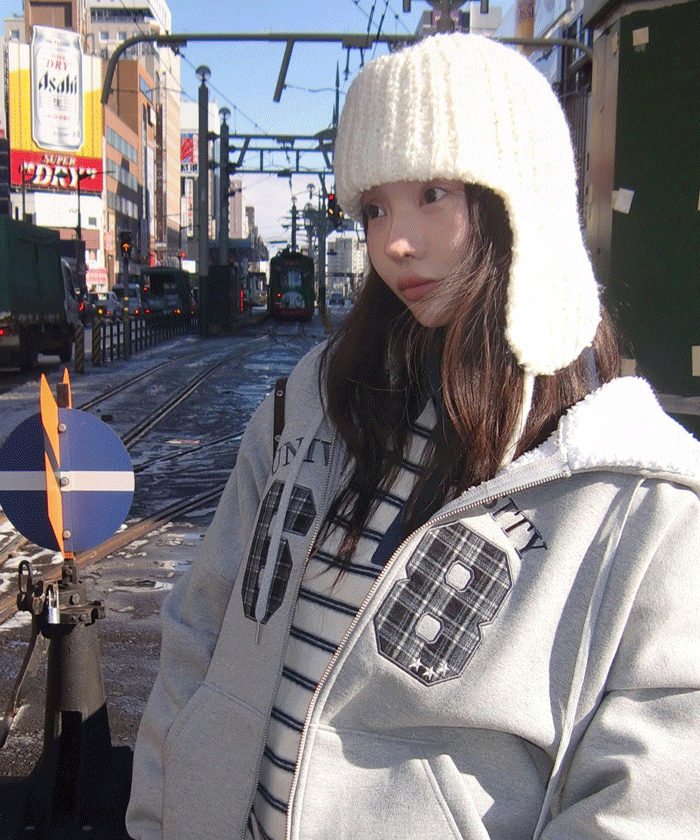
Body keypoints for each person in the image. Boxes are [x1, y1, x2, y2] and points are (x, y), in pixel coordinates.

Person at [126, 33, 700, 840]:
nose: (395, 241)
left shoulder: (638, 490)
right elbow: (198, 631)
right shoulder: (312, 405)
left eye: (433, 193)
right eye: (374, 207)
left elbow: (646, 800)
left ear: (521, 196)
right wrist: (156, 817)